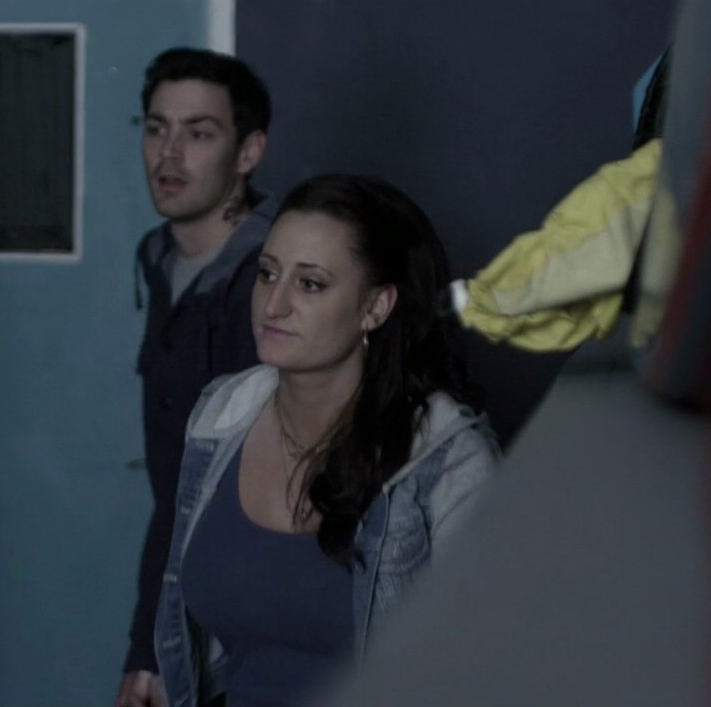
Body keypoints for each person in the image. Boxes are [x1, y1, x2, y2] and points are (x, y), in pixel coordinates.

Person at [152, 174, 502, 707]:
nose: (273, 305)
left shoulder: (447, 458)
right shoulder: (220, 417)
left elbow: (485, 667)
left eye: (310, 284)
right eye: (268, 274)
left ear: (375, 307)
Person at [118, 47, 274, 707]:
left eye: (199, 133)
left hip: (258, 625)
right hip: (183, 601)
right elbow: (175, 491)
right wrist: (149, 649)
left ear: (248, 152)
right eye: (157, 128)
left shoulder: (275, 276)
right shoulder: (159, 258)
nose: (169, 153)